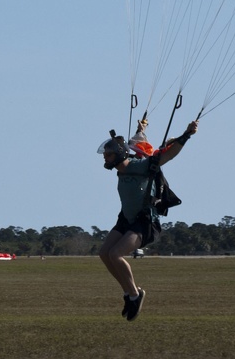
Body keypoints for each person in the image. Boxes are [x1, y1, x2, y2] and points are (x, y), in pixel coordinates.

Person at [98, 118, 197, 321]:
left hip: (145, 222)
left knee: (116, 254)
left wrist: (186, 134)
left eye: (108, 155)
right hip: (126, 218)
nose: (105, 159)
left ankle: (135, 295)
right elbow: (134, 144)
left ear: (117, 155)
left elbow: (168, 155)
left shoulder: (143, 166)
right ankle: (128, 293)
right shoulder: (121, 168)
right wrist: (140, 129)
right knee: (104, 253)